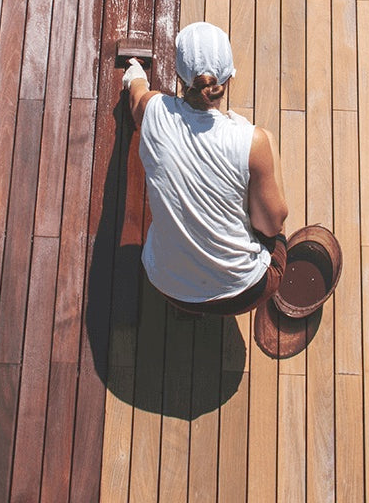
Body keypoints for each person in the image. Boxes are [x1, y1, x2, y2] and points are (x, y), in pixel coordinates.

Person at [123, 22, 289, 316]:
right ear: (229, 78)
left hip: (168, 285)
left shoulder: (153, 111)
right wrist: (263, 145)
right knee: (272, 205)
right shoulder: (252, 141)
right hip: (244, 292)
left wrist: (134, 71)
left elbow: (137, 95)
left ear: (179, 77)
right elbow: (271, 226)